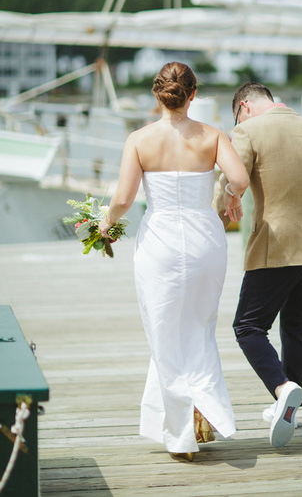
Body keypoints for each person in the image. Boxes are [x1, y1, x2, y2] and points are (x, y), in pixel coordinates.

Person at [99, 62, 249, 461]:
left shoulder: (139, 139)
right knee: (198, 331)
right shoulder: (213, 135)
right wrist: (230, 194)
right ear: (193, 94)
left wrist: (104, 224)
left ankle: (180, 433)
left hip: (160, 244)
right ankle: (199, 422)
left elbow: (124, 200)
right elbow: (241, 178)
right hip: (205, 241)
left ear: (157, 94)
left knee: (164, 336)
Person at [215, 81, 302, 449]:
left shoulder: (247, 130)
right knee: (295, 321)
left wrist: (211, 229)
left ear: (244, 106)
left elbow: (230, 185)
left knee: (248, 326)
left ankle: (283, 387)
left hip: (278, 245)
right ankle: (291, 407)